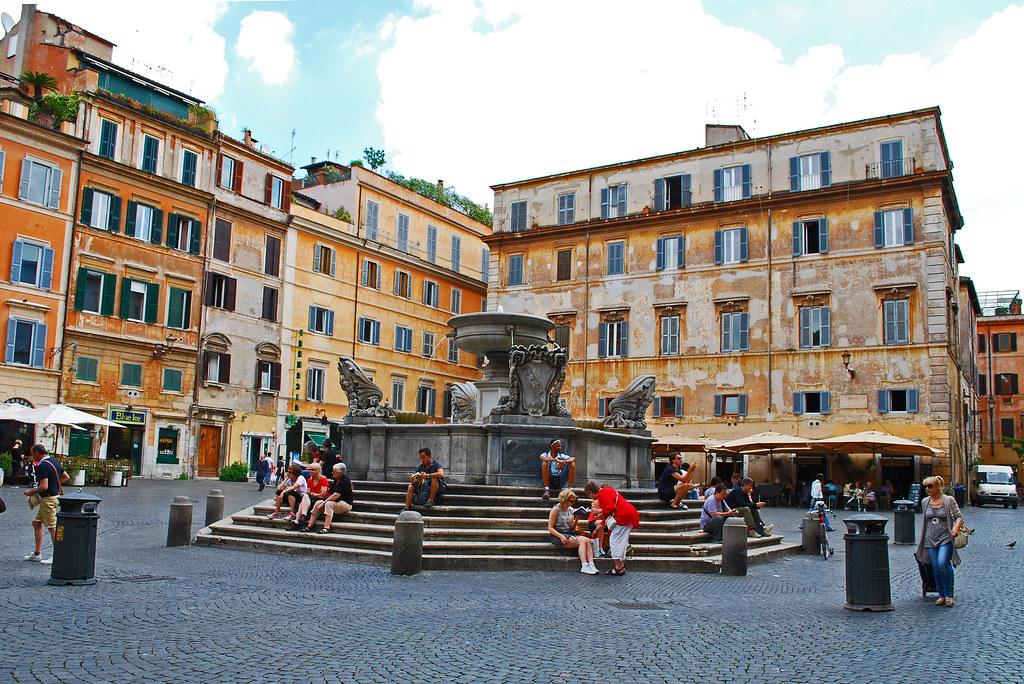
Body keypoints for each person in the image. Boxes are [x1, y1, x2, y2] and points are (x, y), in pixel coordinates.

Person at [917, 475, 964, 607]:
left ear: (938, 486)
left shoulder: (948, 500)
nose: (928, 489)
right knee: (935, 567)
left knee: (943, 563)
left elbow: (959, 517)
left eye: (930, 486)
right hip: (930, 539)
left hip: (945, 537)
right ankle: (941, 594)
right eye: (926, 486)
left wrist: (955, 529)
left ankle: (949, 593)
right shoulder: (925, 502)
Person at [22, 444, 69, 563]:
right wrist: (55, 486)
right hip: (54, 497)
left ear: (37, 453)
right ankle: (37, 554)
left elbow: (44, 486)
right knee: (36, 523)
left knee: (52, 527)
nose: (32, 456)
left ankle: (57, 555)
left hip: (48, 499)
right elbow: (66, 477)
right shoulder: (54, 462)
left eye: (33, 454)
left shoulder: (42, 466)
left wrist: (30, 492)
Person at [584, 481, 638, 576]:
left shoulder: (603, 493)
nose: (590, 497)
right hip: (627, 514)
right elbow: (609, 511)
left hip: (623, 516)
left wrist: (598, 511)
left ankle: (618, 567)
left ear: (591, 492)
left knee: (615, 541)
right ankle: (620, 565)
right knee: (619, 540)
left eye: (589, 495)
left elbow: (610, 508)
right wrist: (599, 528)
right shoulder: (606, 491)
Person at [547, 488, 598, 574]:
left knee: (588, 541)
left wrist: (577, 519)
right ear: (565, 500)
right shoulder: (556, 509)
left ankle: (591, 564)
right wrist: (561, 536)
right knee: (582, 541)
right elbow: (550, 527)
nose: (573, 503)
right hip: (558, 535)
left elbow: (571, 528)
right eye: (571, 501)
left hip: (569, 533)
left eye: (574, 501)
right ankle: (584, 565)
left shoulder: (570, 510)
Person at [304, 462, 354, 533]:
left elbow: (335, 495)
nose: (332, 473)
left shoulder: (344, 481)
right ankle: (310, 526)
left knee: (329, 504)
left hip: (345, 503)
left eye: (334, 472)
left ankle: (326, 527)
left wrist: (324, 502)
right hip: (337, 502)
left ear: (340, 473)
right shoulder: (336, 480)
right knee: (318, 502)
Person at [295, 463, 330, 527]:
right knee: (304, 498)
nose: (310, 472)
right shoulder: (310, 480)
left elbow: (322, 495)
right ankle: (303, 516)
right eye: (309, 470)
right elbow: (309, 492)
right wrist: (315, 494)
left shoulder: (323, 480)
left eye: (312, 470)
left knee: (303, 500)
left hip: (320, 499)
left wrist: (313, 494)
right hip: (311, 498)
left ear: (318, 471)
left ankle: (298, 519)